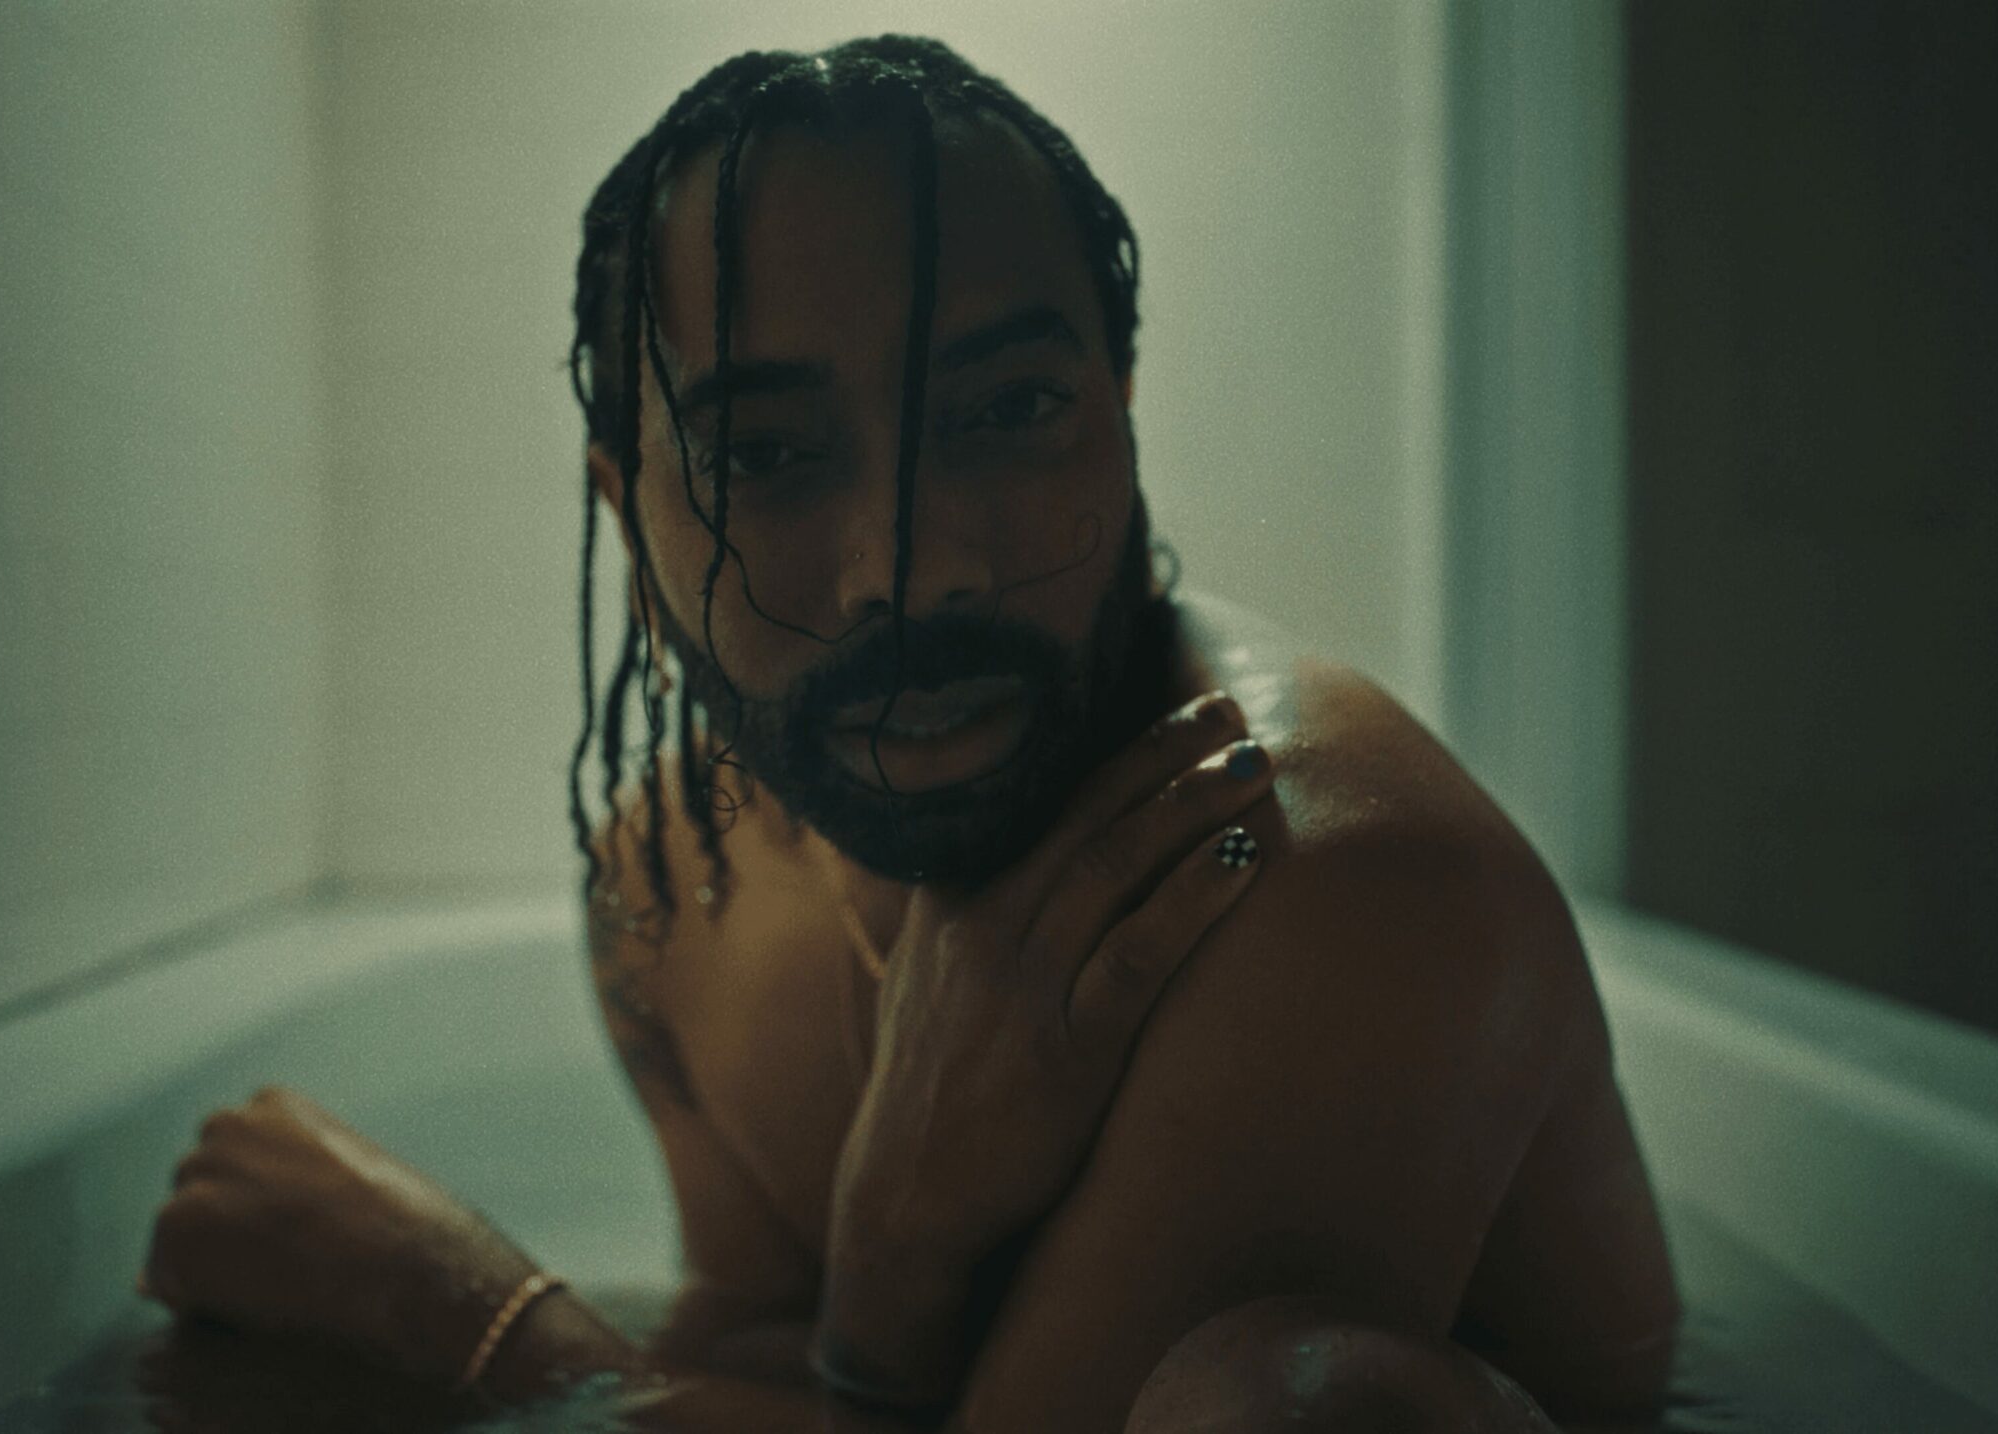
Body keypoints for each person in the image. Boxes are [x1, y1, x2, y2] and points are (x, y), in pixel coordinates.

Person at [140, 36, 1682, 1433]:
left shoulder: (1318, 878)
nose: (911, 563)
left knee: (1298, 1402)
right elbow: (788, 1372)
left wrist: (462, 1308)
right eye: (766, 452)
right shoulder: (678, 889)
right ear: (632, 522)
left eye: (1006, 411)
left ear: (1119, 415)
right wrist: (886, 1280)